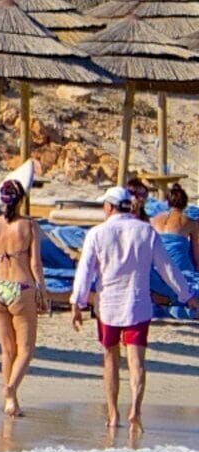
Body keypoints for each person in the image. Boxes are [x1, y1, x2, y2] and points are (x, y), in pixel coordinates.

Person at [73, 182, 160, 435]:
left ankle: (113, 414)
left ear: (109, 207)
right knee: (137, 361)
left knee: (110, 358)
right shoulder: (146, 231)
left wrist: (77, 303)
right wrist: (186, 295)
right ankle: (136, 409)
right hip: (138, 304)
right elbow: (167, 268)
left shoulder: (97, 233)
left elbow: (85, 271)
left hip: (108, 306)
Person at [0, 179, 45, 417]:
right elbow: (35, 264)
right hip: (21, 285)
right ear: (21, 199)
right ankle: (10, 389)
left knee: (7, 350)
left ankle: (11, 401)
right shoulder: (29, 226)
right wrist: (43, 291)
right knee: (26, 350)